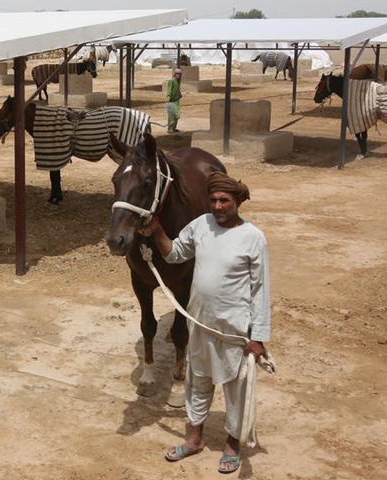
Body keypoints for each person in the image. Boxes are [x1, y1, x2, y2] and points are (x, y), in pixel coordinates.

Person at [139, 171, 270, 475]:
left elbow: (260, 291)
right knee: (198, 382)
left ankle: (233, 445)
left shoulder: (253, 237)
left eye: (224, 200)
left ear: (238, 201)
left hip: (235, 330)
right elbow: (175, 254)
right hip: (199, 322)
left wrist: (258, 337)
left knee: (235, 388)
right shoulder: (201, 225)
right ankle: (194, 439)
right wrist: (156, 233)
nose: (218, 206)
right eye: (212, 200)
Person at [166, 68, 183, 133]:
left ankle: (174, 128)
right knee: (171, 115)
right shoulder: (172, 81)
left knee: (176, 115)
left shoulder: (178, 81)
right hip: (171, 101)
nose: (178, 75)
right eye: (177, 74)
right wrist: (168, 98)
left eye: (179, 74)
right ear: (174, 74)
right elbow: (169, 90)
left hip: (177, 101)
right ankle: (170, 128)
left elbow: (177, 89)